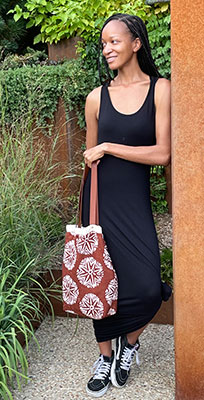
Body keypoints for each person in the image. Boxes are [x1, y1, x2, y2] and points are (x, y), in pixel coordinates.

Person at [81, 13, 172, 397]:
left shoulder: (161, 89)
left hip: (134, 202)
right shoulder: (96, 98)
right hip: (99, 199)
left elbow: (163, 154)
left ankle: (129, 345)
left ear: (136, 43)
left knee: (149, 287)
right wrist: (84, 215)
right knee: (98, 281)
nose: (107, 49)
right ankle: (105, 356)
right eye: (104, 44)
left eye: (114, 41)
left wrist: (109, 146)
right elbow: (89, 155)